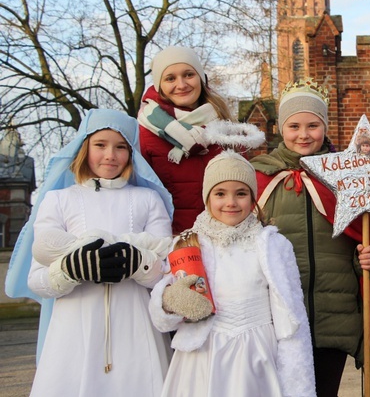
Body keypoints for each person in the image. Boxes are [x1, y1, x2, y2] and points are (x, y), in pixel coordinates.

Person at [251, 78, 370, 397]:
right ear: (280, 127)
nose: (304, 134)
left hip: (335, 318)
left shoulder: (346, 177)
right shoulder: (258, 178)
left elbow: (363, 236)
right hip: (281, 321)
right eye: (294, 126)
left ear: (325, 127)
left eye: (313, 125)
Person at [15, 109, 174, 396]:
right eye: (100, 145)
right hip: (73, 331)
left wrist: (138, 263)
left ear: (131, 152)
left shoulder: (148, 199)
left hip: (137, 329)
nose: (110, 155)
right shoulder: (58, 200)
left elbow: (166, 272)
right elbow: (37, 279)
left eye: (121, 146)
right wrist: (71, 269)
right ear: (84, 147)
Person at [149, 151, 315, 397]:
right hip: (203, 354)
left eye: (241, 193)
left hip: (257, 353)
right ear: (207, 197)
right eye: (220, 193)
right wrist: (169, 301)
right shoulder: (187, 244)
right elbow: (163, 312)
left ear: (253, 197)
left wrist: (298, 381)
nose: (231, 202)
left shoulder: (273, 245)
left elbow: (292, 315)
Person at [138, 45, 261, 235]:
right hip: (175, 241)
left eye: (188, 74)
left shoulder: (224, 124)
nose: (181, 84)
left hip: (224, 239)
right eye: (170, 78)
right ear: (159, 85)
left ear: (201, 78)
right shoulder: (146, 132)